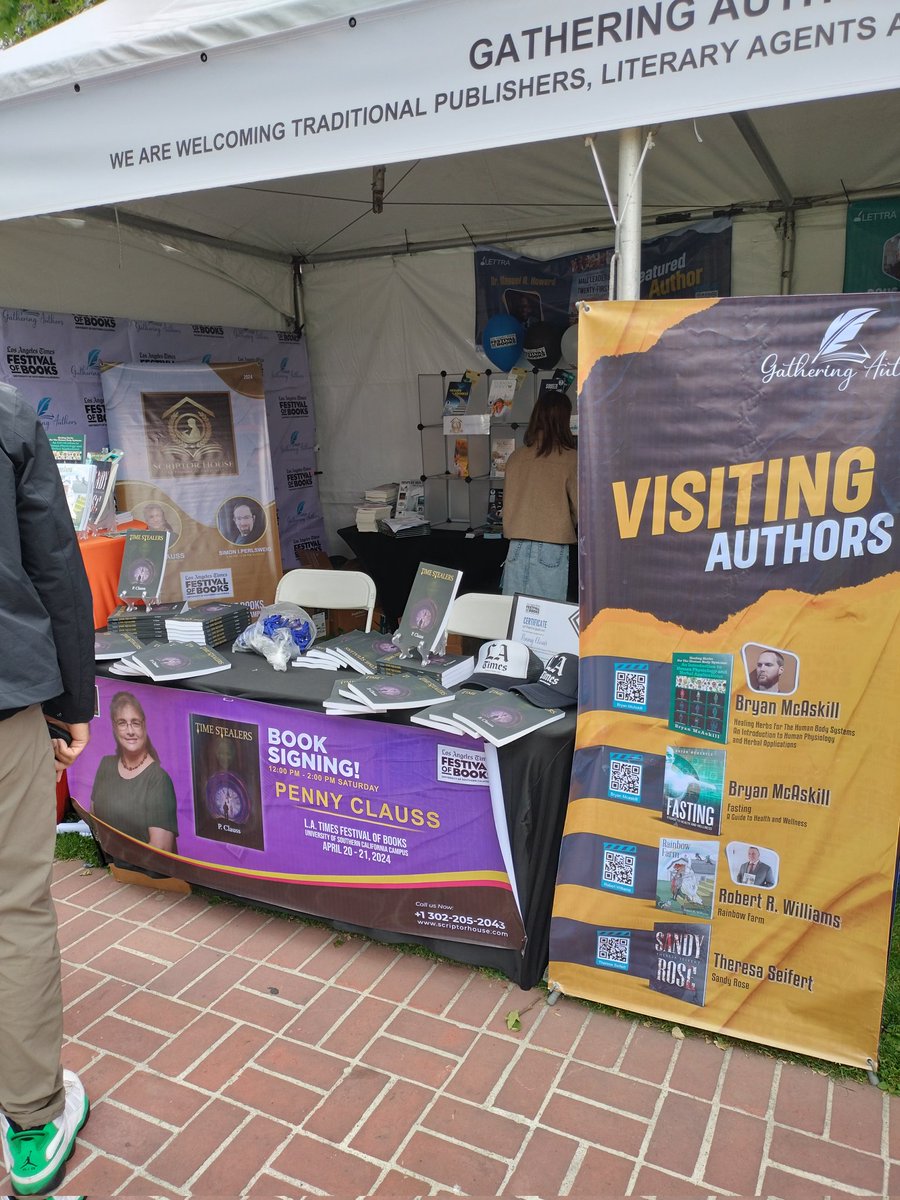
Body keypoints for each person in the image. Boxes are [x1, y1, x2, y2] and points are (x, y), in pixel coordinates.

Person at [0, 382, 94, 1195]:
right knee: (15, 905)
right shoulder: (7, 414)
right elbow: (55, 566)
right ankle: (31, 1118)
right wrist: (72, 708)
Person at [501, 389, 577, 601]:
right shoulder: (571, 459)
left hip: (516, 545)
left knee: (514, 615)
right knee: (545, 620)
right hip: (552, 546)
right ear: (564, 419)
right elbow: (582, 509)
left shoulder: (516, 457)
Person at [90, 691, 178, 855]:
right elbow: (95, 817)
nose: (130, 731)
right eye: (122, 723)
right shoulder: (106, 765)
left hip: (147, 874)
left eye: (135, 723)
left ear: (144, 726)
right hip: (114, 863)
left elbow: (161, 850)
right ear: (114, 728)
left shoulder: (159, 780)